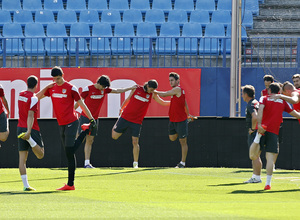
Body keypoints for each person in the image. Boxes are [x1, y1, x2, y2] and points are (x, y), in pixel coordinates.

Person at [40, 66, 96, 191]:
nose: (57, 81)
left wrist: (91, 119)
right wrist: (46, 87)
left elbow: (82, 104)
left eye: (59, 78)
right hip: (61, 123)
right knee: (69, 153)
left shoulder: (71, 88)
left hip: (72, 121)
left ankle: (85, 130)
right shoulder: (52, 88)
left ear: (63, 75)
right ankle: (70, 184)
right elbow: (36, 97)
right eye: (54, 79)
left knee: (69, 151)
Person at [75, 75, 136, 168]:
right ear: (98, 83)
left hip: (94, 119)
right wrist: (71, 112)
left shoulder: (104, 90)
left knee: (90, 140)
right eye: (103, 86)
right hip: (84, 117)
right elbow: (79, 101)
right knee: (79, 138)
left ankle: (87, 163)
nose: (103, 88)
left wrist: (130, 88)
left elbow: (117, 90)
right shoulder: (88, 89)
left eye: (105, 87)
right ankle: (70, 156)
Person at [249, 83, 300, 190]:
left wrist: (259, 124)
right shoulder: (283, 101)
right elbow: (295, 114)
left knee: (253, 156)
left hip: (262, 129)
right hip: (274, 131)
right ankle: (268, 183)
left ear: (269, 90)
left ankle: (258, 138)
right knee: (270, 159)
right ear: (279, 91)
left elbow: (261, 109)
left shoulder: (264, 98)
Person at [112, 80, 169, 168]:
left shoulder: (152, 94)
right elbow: (128, 99)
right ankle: (118, 121)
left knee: (135, 141)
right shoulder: (136, 89)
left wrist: (174, 102)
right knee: (114, 136)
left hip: (137, 121)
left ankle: (135, 163)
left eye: (153, 90)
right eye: (151, 89)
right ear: (148, 86)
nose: (152, 91)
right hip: (125, 117)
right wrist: (121, 108)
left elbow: (163, 103)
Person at [155, 72, 193, 168]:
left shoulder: (177, 89)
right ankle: (185, 123)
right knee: (172, 138)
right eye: (169, 81)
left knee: (183, 141)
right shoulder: (176, 91)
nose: (170, 82)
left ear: (177, 81)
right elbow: (185, 104)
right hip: (173, 120)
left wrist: (153, 91)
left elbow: (164, 94)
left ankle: (182, 163)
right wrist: (188, 114)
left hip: (180, 120)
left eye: (172, 80)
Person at [17, 76, 48, 191]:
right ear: (36, 85)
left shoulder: (21, 94)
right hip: (31, 128)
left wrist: (45, 90)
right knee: (41, 154)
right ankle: (29, 139)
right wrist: (29, 132)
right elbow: (31, 115)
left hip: (19, 127)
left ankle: (26, 186)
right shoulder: (33, 98)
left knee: (22, 159)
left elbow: (34, 97)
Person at [241, 85, 262, 183]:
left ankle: (256, 177)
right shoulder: (255, 102)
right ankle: (256, 176)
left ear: (246, 94)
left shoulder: (251, 104)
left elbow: (255, 117)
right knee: (256, 154)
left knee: (254, 155)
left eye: (242, 94)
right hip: (259, 131)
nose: (242, 96)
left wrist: (253, 129)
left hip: (255, 133)